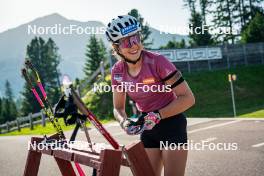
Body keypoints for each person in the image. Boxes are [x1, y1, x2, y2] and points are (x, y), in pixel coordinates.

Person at [105, 15, 195, 176]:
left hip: (172, 124)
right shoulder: (117, 72)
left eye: (136, 38)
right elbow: (118, 107)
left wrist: (158, 115)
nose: (133, 46)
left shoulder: (158, 62)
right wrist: (124, 122)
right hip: (147, 126)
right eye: (126, 42)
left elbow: (188, 98)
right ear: (116, 47)